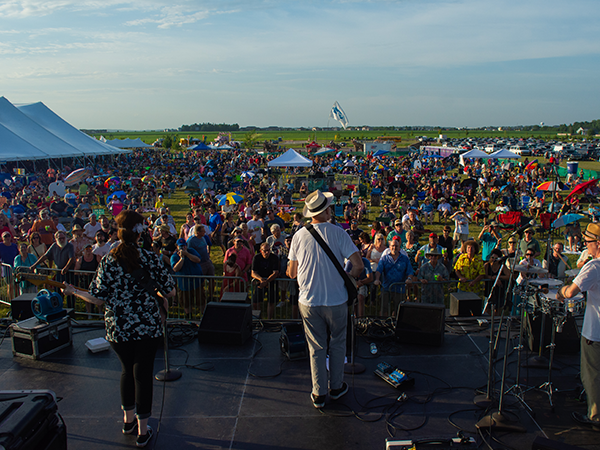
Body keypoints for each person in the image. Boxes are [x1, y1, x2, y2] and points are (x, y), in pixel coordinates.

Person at [62, 210, 176, 447]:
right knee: (143, 374)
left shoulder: (108, 261)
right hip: (146, 326)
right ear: (138, 234)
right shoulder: (150, 258)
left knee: (126, 371)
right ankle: (143, 432)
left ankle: (127, 422)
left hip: (118, 328)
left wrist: (74, 292)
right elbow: (171, 291)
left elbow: (97, 297)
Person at [287, 190, 363, 409]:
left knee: (316, 347)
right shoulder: (339, 233)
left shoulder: (299, 236)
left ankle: (318, 393)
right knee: (338, 344)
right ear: (327, 210)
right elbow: (358, 266)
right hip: (337, 300)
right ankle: (336, 387)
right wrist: (346, 276)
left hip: (309, 301)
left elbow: (291, 273)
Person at [556, 223, 600, 431]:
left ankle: (595, 417)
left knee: (592, 375)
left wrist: (561, 290)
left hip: (595, 332)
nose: (586, 245)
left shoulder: (594, 267)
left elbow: (571, 292)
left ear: (598, 244)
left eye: (588, 242)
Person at [374, 238, 415, 316]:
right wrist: (377, 279)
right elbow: (379, 270)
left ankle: (396, 326)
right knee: (383, 309)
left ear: (399, 247)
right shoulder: (384, 258)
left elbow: (410, 271)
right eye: (392, 246)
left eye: (396, 246)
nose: (394, 248)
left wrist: (409, 278)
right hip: (386, 287)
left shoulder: (405, 259)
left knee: (398, 310)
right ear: (389, 247)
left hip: (399, 288)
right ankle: (383, 325)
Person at [171, 238, 203, 315]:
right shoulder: (174, 256)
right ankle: (189, 315)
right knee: (185, 301)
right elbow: (175, 268)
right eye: (181, 246)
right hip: (184, 283)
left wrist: (187, 254)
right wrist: (182, 258)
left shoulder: (191, 251)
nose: (183, 248)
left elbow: (198, 260)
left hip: (196, 281)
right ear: (177, 247)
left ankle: (203, 313)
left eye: (184, 246)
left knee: (200, 299)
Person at [251, 242, 280, 319]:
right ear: (261, 250)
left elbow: (275, 272)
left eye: (268, 250)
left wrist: (266, 282)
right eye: (265, 251)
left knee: (271, 302)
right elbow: (253, 273)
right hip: (260, 282)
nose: (267, 252)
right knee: (255, 302)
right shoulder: (256, 258)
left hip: (272, 282)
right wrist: (261, 279)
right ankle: (258, 319)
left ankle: (269, 319)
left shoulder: (274, 258)